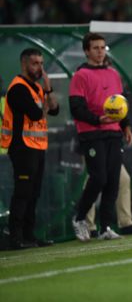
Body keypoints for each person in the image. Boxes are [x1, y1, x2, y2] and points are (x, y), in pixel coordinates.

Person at [69, 33, 132, 241]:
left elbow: (119, 105)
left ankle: (106, 226)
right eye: (95, 48)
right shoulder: (80, 75)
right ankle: (79, 217)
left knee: (113, 180)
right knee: (99, 177)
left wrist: (126, 126)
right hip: (91, 133)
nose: (100, 52)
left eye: (102, 48)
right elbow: (76, 108)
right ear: (86, 51)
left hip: (113, 133)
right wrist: (98, 120)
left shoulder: (113, 73)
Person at [1, 48, 59, 249]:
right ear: (23, 64)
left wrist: (49, 90)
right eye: (35, 63)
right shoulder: (18, 88)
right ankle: (15, 237)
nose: (40, 68)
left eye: (41, 63)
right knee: (23, 192)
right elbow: (37, 114)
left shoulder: (37, 88)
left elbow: (55, 109)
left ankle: (29, 235)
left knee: (34, 193)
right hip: (22, 147)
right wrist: (46, 98)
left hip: (37, 147)